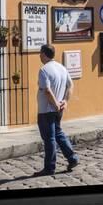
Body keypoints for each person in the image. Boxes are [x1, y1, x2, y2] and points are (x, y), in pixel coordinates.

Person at [34, 44, 79, 176]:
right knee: (58, 134)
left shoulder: (44, 70)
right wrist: (65, 101)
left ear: (43, 54)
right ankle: (72, 158)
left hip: (46, 110)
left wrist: (55, 104)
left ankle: (49, 167)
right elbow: (70, 85)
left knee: (50, 139)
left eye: (40, 53)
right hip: (58, 108)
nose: (39, 56)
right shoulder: (61, 68)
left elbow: (47, 91)